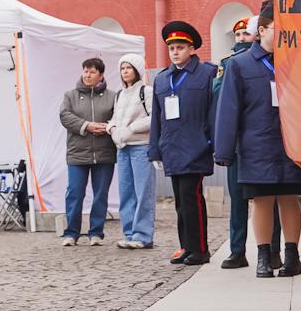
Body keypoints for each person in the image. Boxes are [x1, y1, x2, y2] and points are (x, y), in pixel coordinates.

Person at [214, 2, 301, 277]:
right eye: (278, 29)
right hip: (256, 144)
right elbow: (229, 108)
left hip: (291, 142)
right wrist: (224, 150)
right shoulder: (239, 64)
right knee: (262, 200)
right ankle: (263, 257)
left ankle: (292, 256)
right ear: (262, 30)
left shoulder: (296, 60)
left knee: (290, 198)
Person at [148, 21, 219, 266]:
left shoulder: (208, 73)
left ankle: (200, 249)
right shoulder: (162, 79)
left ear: (191, 49)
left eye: (180, 47)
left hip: (196, 145)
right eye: (172, 48)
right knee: (180, 201)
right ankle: (186, 246)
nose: (175, 52)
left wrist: (212, 142)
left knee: (192, 199)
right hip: (172, 147)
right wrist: (155, 149)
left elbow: (214, 111)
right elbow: (157, 117)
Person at [59, 57, 119, 246]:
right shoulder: (70, 96)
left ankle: (96, 233)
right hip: (77, 153)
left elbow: (118, 117)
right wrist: (87, 125)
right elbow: (65, 116)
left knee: (100, 194)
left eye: (92, 72)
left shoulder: (113, 96)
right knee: (74, 193)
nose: (87, 75)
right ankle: (71, 233)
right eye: (85, 71)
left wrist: (107, 126)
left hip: (104, 153)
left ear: (101, 75)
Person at [214, 17, 257, 268]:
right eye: (237, 35)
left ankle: (272, 250)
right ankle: (237, 250)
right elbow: (217, 97)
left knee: (267, 199)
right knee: (237, 200)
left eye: (245, 34)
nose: (241, 39)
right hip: (236, 140)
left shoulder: (266, 60)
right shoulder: (227, 63)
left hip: (258, 139)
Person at [109, 53, 155, 249]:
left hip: (141, 147)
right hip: (122, 149)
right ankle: (129, 234)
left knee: (143, 192)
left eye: (129, 67)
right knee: (126, 193)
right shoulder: (119, 94)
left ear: (137, 70)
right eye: (122, 68)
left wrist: (131, 129)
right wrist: (112, 129)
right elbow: (114, 118)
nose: (125, 71)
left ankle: (143, 236)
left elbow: (154, 117)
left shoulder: (147, 91)